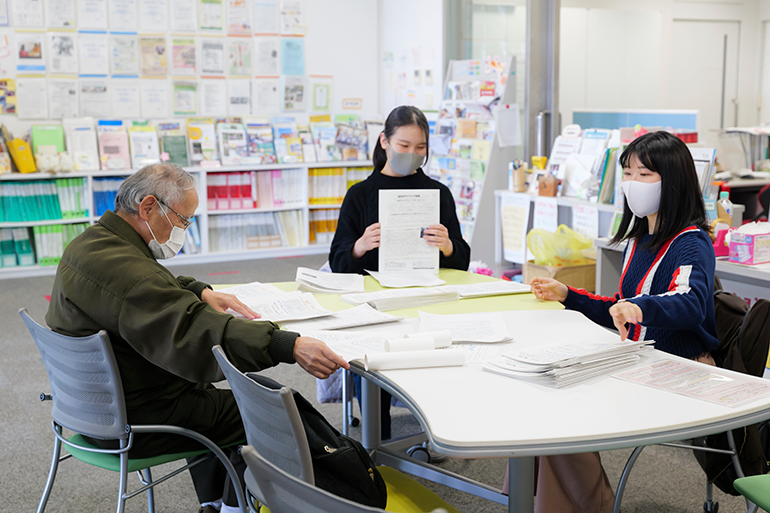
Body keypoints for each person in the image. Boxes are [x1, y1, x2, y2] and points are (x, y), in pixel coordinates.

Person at [46, 163, 349, 513]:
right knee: (269, 408)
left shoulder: (91, 243)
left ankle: (214, 501)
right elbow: (198, 334)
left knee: (229, 393)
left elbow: (151, 286)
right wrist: (288, 345)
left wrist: (199, 292)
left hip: (90, 407)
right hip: (135, 419)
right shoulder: (132, 275)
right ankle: (236, 507)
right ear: (147, 207)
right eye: (182, 219)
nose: (183, 229)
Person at [518, 130, 719, 512]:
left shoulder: (691, 241)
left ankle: (590, 503)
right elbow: (619, 308)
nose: (632, 184)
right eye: (627, 173)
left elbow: (690, 303)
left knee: (563, 410)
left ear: (673, 180)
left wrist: (638, 308)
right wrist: (568, 295)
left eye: (644, 175)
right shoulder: (639, 239)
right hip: (641, 359)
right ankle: (538, 497)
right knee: (545, 387)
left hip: (679, 369)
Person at [328, 105, 471, 441]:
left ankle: (439, 430)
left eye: (420, 148)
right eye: (404, 146)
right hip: (374, 302)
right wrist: (360, 245)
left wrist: (447, 246)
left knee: (436, 352)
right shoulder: (359, 195)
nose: (411, 154)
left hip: (427, 297)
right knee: (371, 358)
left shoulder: (438, 193)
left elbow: (462, 261)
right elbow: (338, 262)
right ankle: (378, 439)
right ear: (384, 142)